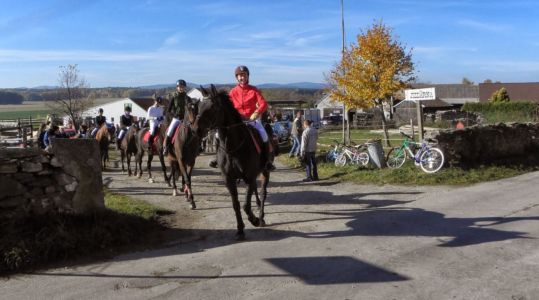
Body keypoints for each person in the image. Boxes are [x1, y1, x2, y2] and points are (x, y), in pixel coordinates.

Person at [210, 65, 275, 170]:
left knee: (264, 135)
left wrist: (257, 112)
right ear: (237, 78)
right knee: (218, 135)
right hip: (236, 121)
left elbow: (263, 104)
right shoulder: (233, 92)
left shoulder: (254, 90)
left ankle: (266, 160)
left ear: (247, 76)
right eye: (240, 76)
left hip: (252, 120)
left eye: (244, 75)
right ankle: (217, 157)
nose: (242, 77)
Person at [163, 79, 191, 155]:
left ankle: (198, 147)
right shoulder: (173, 97)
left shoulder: (187, 98)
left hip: (186, 119)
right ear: (177, 87)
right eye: (180, 86)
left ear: (185, 87)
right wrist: (174, 115)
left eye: (183, 86)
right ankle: (166, 147)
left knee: (194, 130)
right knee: (169, 131)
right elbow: (168, 110)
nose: (181, 88)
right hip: (177, 118)